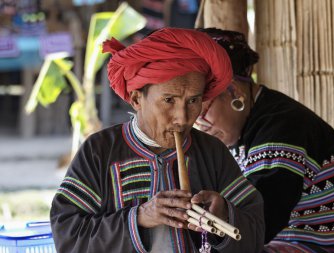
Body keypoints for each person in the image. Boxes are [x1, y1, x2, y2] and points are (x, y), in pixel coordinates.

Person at [50, 27, 265, 253]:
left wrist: (224, 214)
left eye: (193, 101)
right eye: (169, 100)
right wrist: (141, 217)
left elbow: (255, 233)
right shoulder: (99, 151)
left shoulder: (211, 151)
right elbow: (67, 236)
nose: (183, 117)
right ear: (136, 99)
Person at [195, 28, 334, 252]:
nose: (198, 120)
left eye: (203, 107)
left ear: (234, 92)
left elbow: (259, 226)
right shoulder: (246, 122)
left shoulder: (281, 130)